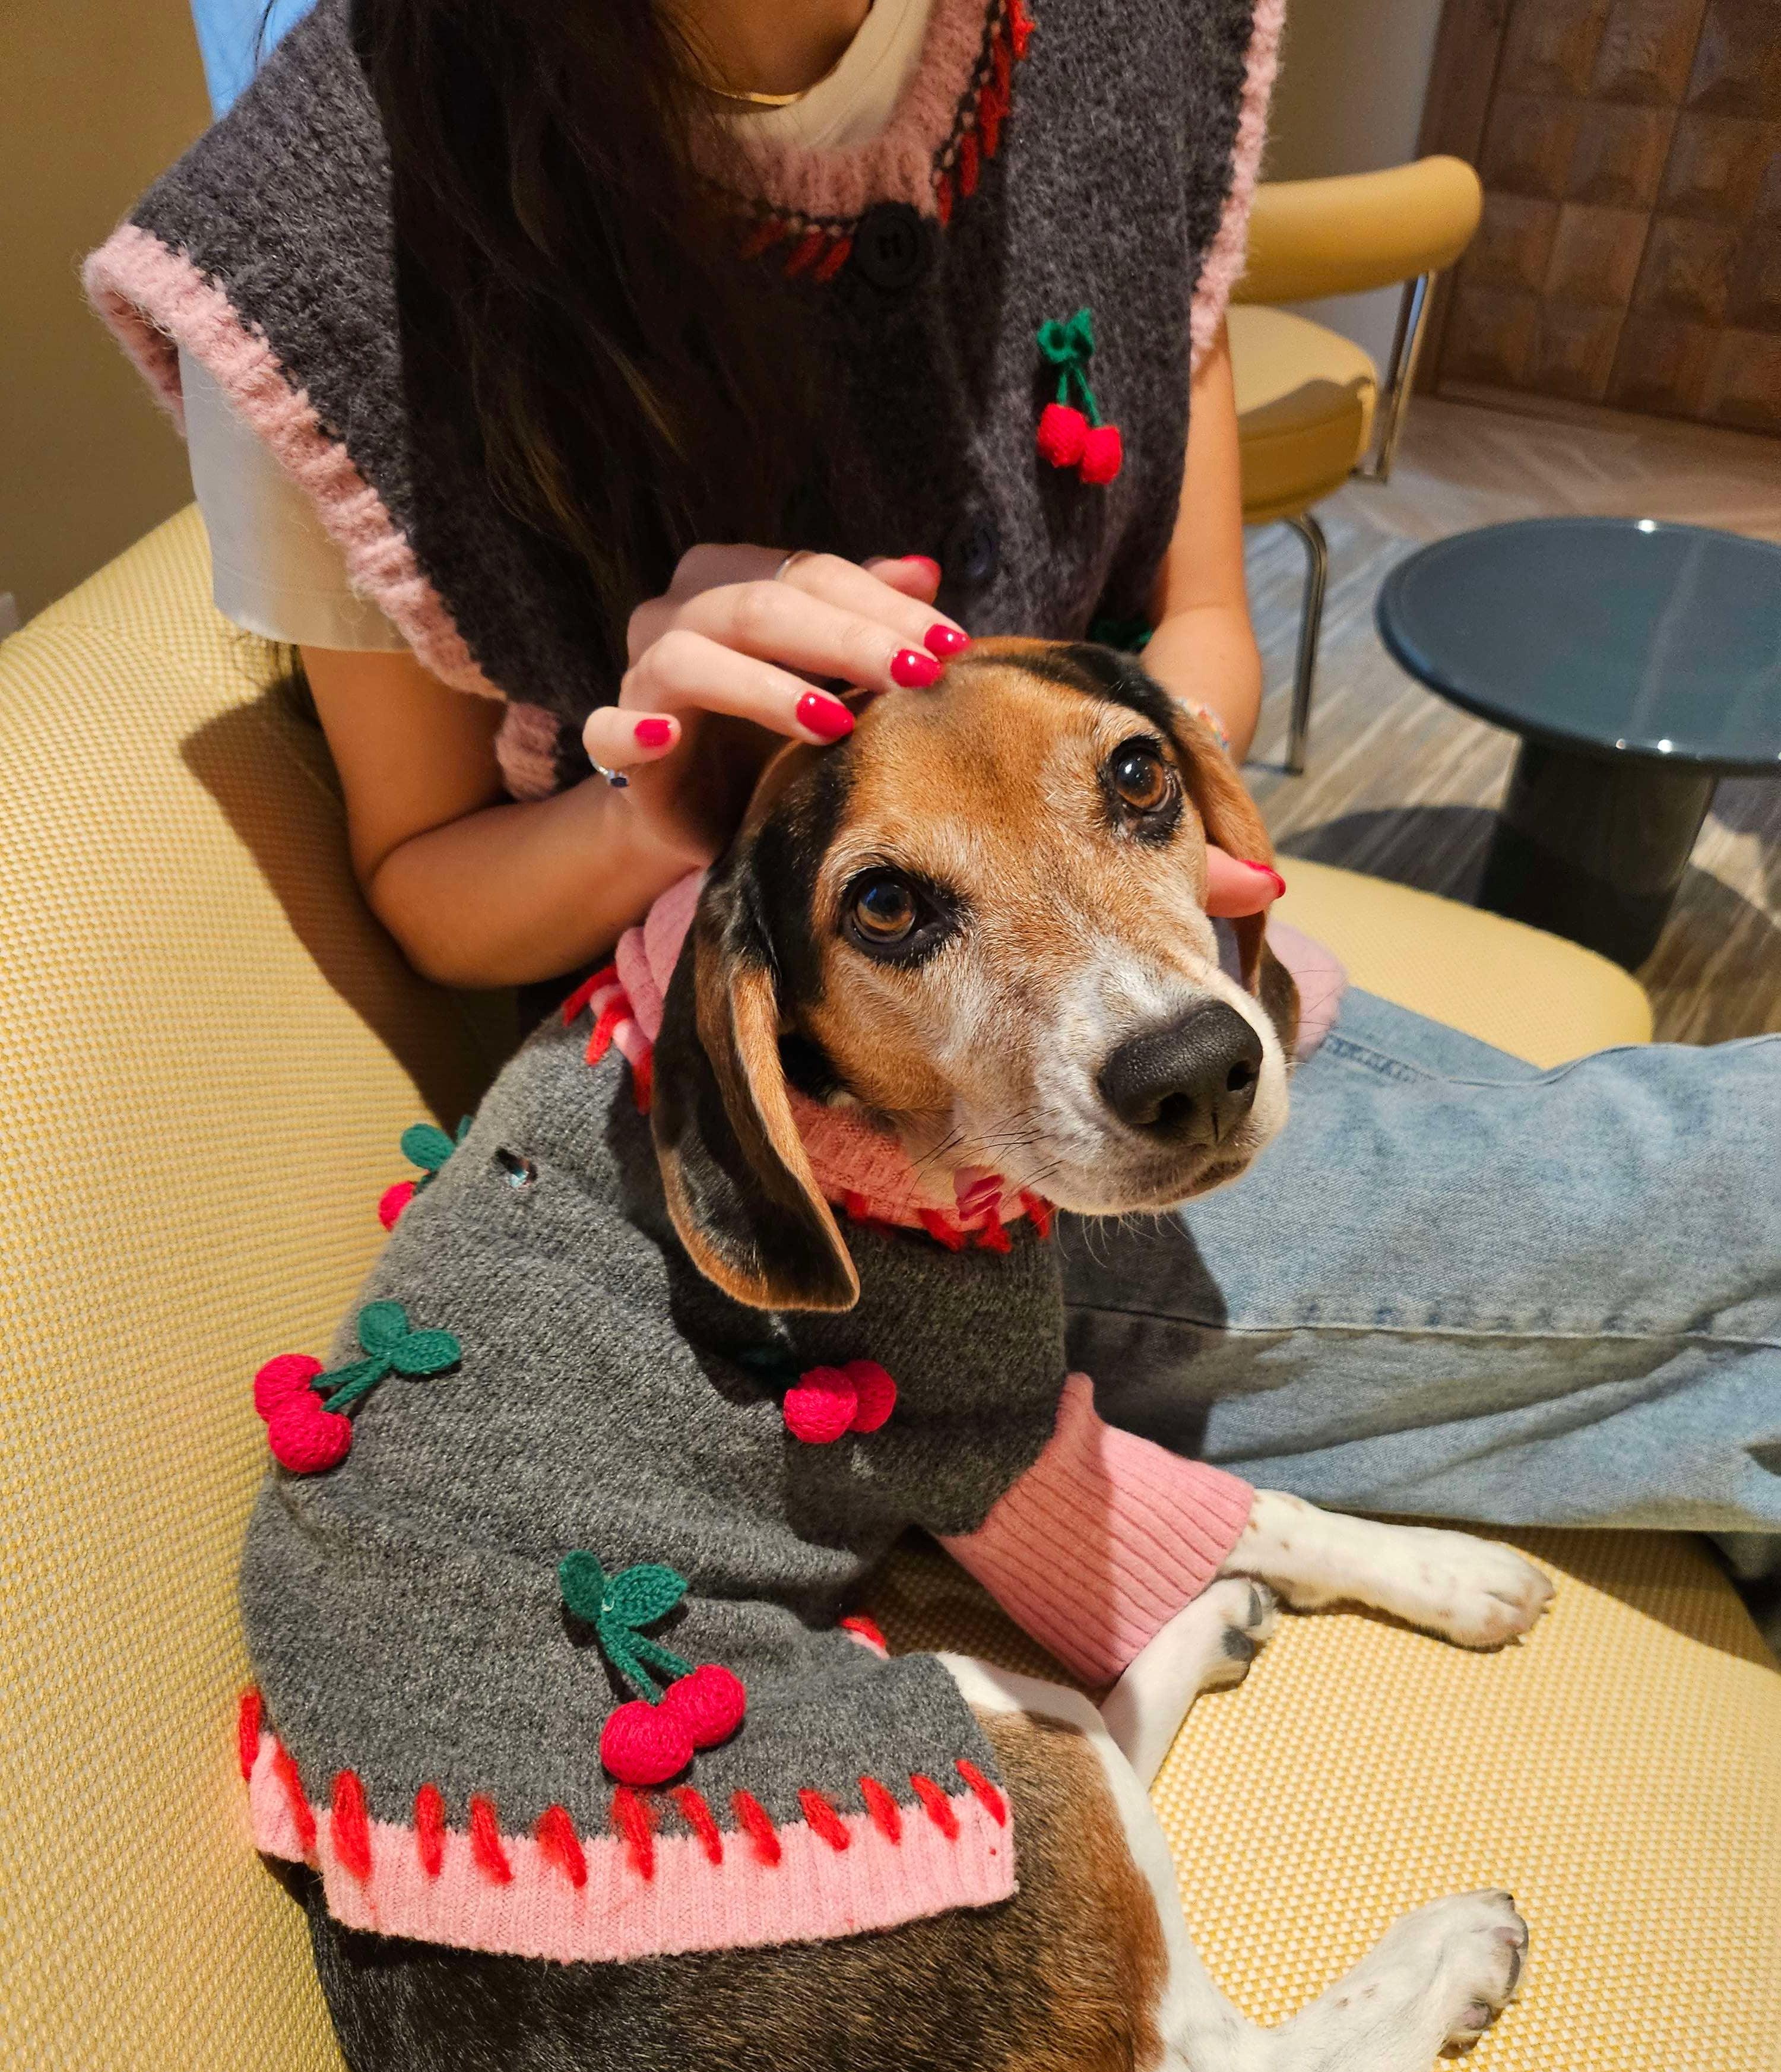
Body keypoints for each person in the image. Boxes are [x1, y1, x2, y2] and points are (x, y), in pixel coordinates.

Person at [89, 0, 1779, 1570]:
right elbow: (426, 880)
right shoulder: (315, 238)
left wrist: (1132, 775)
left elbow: (1194, 619)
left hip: (1156, 988)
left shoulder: (1139, 42)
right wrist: (660, 808)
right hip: (838, 1156)